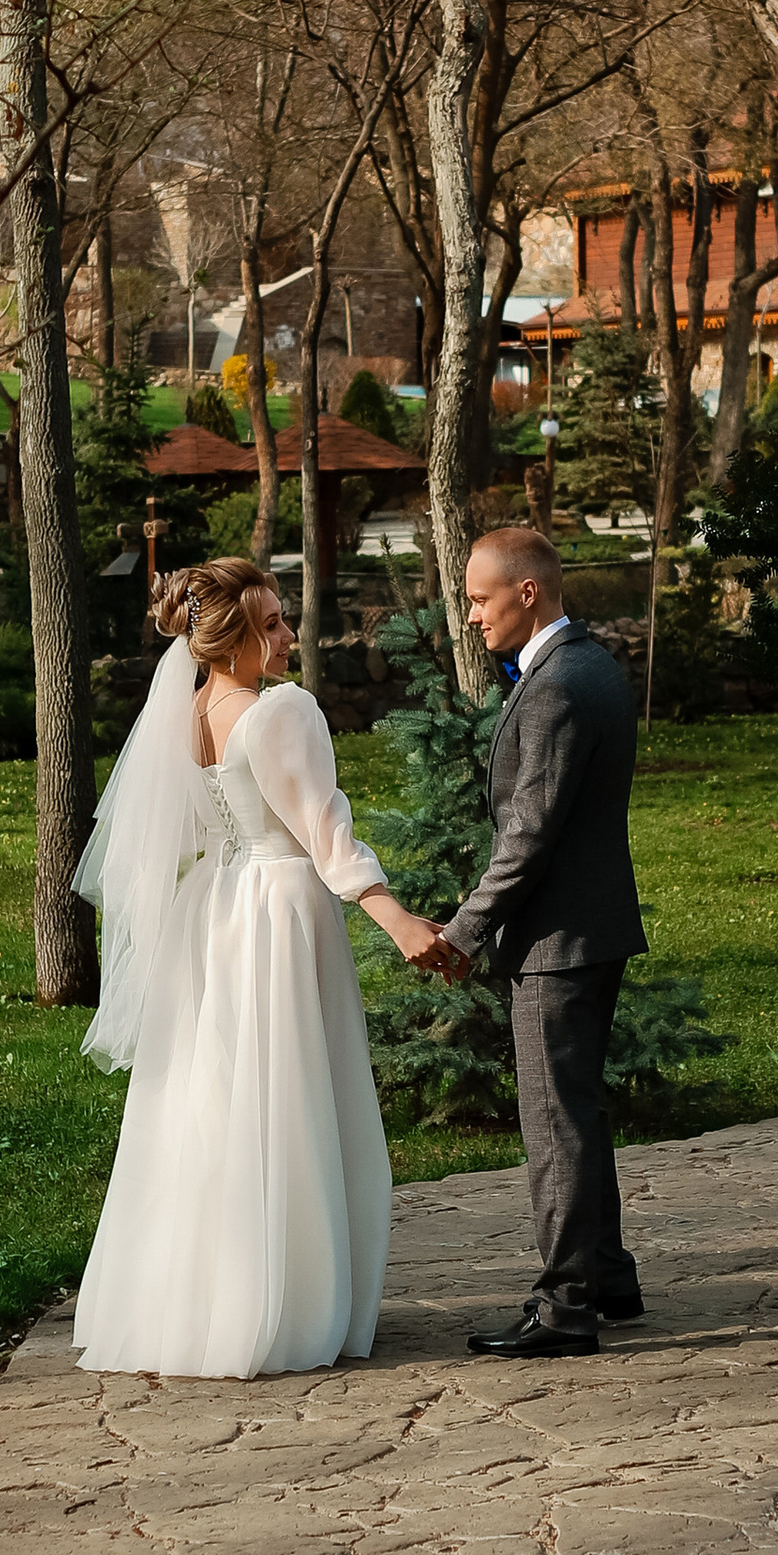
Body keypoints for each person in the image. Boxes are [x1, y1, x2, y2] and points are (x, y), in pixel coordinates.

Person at [71, 556, 450, 1381]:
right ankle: (287, 1304)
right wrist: (396, 919)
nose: (289, 635)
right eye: (273, 623)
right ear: (235, 639)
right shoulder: (282, 712)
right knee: (289, 1098)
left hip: (216, 910)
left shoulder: (188, 709)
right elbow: (324, 830)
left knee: (215, 1099)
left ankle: (197, 1306)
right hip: (281, 909)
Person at [428, 525, 648, 1360]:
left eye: (481, 599)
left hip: (559, 937)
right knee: (579, 1113)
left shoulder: (558, 686)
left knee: (554, 1125)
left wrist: (463, 933)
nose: (472, 616)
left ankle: (565, 1309)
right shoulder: (589, 662)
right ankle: (610, 1275)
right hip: (593, 925)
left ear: (528, 592)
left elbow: (528, 834)